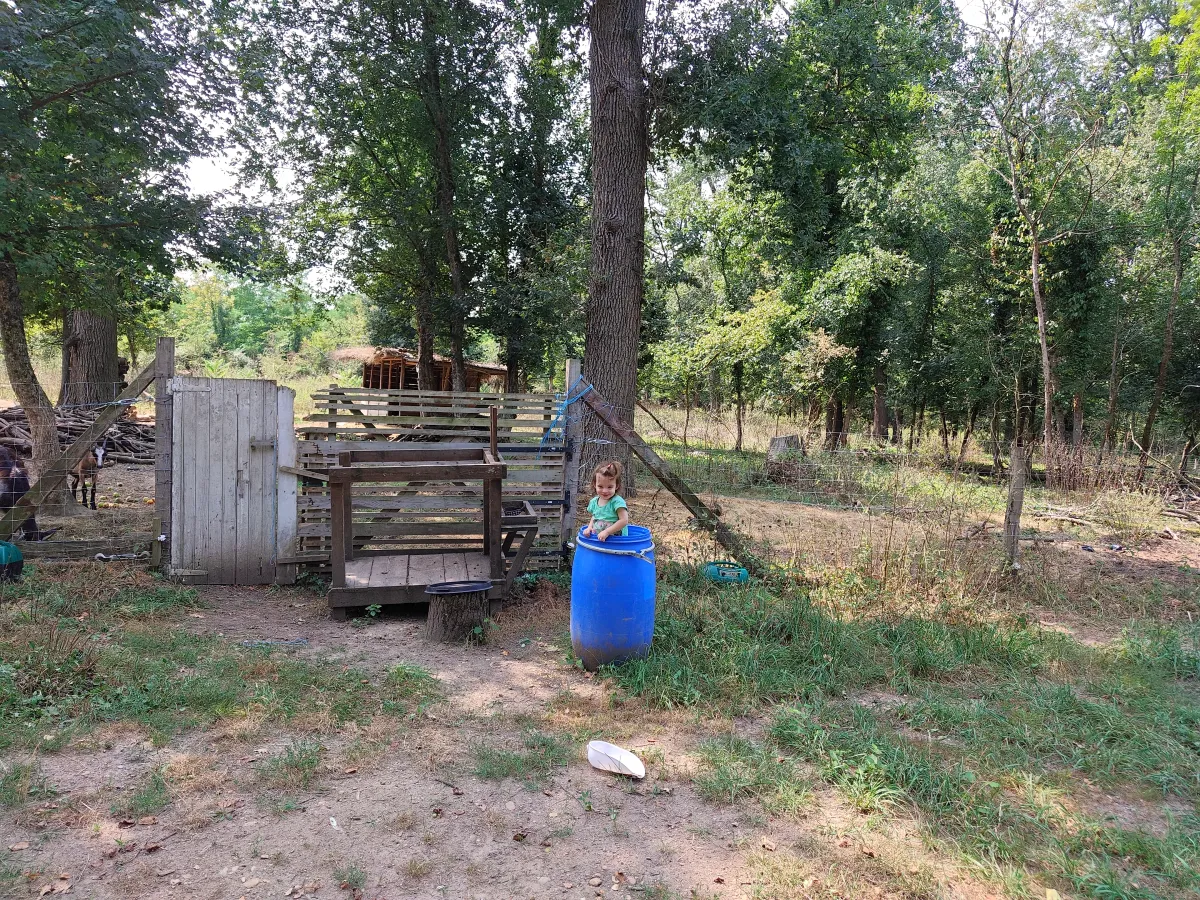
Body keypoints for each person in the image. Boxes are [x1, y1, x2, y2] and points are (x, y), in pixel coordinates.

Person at [583, 460, 630, 541]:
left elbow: (624, 520)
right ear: (595, 484)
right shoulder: (594, 501)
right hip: (600, 539)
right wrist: (589, 527)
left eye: (609, 487)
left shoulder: (617, 502)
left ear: (616, 486)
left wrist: (607, 532)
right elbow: (595, 516)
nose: (605, 491)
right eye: (600, 486)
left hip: (616, 541)